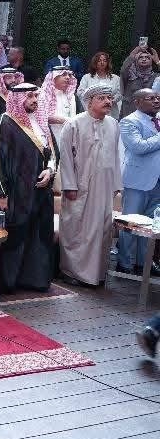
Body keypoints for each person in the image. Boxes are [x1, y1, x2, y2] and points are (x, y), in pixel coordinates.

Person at [0, 83, 59, 292]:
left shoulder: (41, 122)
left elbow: (53, 153)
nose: (34, 100)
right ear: (18, 99)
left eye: (36, 96)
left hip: (41, 190)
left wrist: (50, 171)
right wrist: (0, 193)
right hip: (15, 192)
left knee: (38, 234)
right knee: (15, 235)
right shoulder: (5, 122)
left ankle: (34, 280)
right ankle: (8, 282)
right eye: (29, 96)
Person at [58, 84, 122, 287]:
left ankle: (96, 274)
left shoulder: (113, 123)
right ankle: (71, 271)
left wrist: (116, 183)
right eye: (102, 98)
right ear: (89, 102)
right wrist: (69, 185)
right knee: (77, 229)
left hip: (104, 187)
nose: (108, 102)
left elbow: (116, 156)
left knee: (101, 229)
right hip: (80, 186)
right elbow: (66, 158)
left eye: (109, 98)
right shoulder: (73, 124)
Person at [117, 89, 160, 275]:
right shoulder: (129, 121)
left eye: (158, 98)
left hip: (157, 182)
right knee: (130, 224)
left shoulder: (158, 120)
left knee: (150, 225)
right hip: (137, 181)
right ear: (138, 102)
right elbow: (138, 147)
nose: (156, 101)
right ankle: (124, 263)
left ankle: (143, 263)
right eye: (151, 98)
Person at [38, 65, 82, 144]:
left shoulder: (72, 96)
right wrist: (64, 120)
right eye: (64, 74)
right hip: (52, 137)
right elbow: (41, 117)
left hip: (71, 136)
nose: (68, 77)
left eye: (69, 75)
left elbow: (80, 114)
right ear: (54, 77)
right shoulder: (44, 95)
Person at [77, 51, 123, 118]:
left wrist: (112, 100)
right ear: (95, 63)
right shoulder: (86, 77)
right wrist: (92, 101)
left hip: (111, 113)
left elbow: (120, 92)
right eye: (99, 61)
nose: (102, 63)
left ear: (108, 63)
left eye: (104, 60)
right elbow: (80, 92)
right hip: (92, 113)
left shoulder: (115, 78)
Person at [120, 46, 159, 118]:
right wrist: (135, 51)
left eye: (147, 57)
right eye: (140, 57)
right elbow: (123, 69)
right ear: (136, 60)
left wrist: (157, 61)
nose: (144, 59)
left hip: (149, 116)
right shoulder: (129, 75)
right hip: (129, 115)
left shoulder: (156, 77)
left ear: (151, 61)